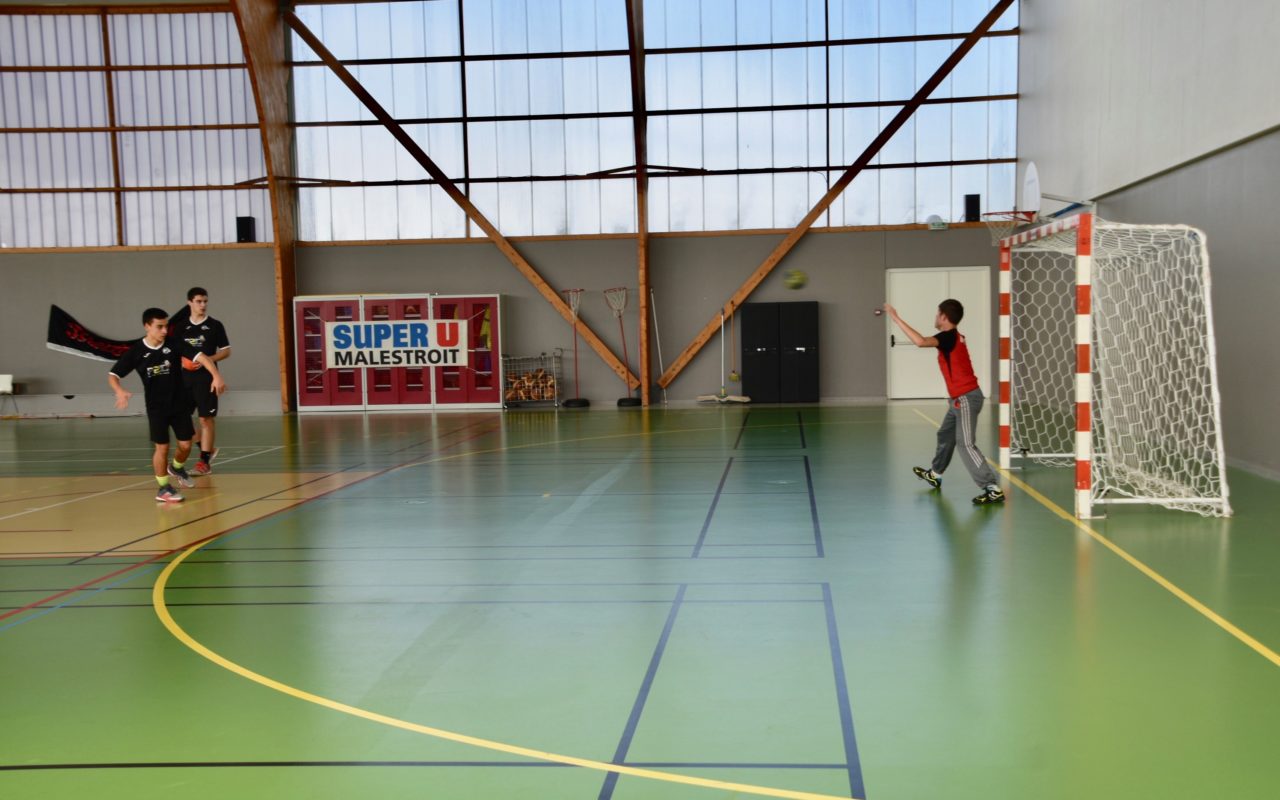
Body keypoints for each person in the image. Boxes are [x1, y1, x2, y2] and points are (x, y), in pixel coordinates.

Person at [883, 299, 1005, 505]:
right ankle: (935, 474)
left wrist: (895, 318)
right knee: (945, 435)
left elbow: (920, 341)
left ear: (944, 317)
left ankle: (992, 487)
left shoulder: (948, 337)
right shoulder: (954, 337)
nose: (935, 317)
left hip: (966, 399)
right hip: (959, 400)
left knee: (965, 443)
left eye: (937, 313)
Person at [109, 308, 226, 502]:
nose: (164, 331)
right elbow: (113, 375)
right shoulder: (137, 351)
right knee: (162, 448)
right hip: (156, 408)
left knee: (186, 445)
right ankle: (163, 488)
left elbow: (202, 357)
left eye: (166, 326)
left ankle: (177, 467)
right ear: (147, 326)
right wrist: (119, 391)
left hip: (179, 404)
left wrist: (216, 376)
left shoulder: (174, 344)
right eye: (159, 327)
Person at [174, 287, 231, 475]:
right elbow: (176, 351)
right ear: (189, 302)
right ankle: (208, 449)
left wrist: (207, 360)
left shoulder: (215, 325)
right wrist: (184, 361)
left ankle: (204, 462)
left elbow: (226, 351)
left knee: (205, 418)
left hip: (206, 377)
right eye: (199, 301)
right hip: (184, 378)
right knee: (181, 417)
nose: (203, 305)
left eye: (205, 301)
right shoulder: (181, 327)